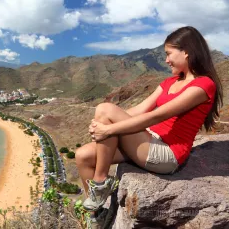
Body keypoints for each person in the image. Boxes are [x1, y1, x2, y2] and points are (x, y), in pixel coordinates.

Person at [75, 26, 223, 216]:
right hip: (147, 140)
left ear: (186, 52)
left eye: (169, 54)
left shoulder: (203, 85)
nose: (166, 60)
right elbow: (141, 109)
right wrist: (104, 123)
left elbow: (157, 116)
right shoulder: (170, 82)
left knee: (104, 109)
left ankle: (100, 183)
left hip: (167, 154)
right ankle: (97, 216)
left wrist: (108, 129)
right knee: (83, 156)